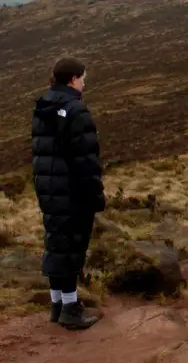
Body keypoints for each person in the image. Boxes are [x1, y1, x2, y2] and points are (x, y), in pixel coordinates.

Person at [31, 57, 105, 330]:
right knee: (73, 248)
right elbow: (86, 160)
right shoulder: (76, 110)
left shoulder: (44, 105)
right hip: (73, 192)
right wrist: (95, 193)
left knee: (56, 243)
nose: (85, 82)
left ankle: (57, 305)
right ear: (73, 79)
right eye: (83, 78)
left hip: (49, 189)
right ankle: (71, 309)